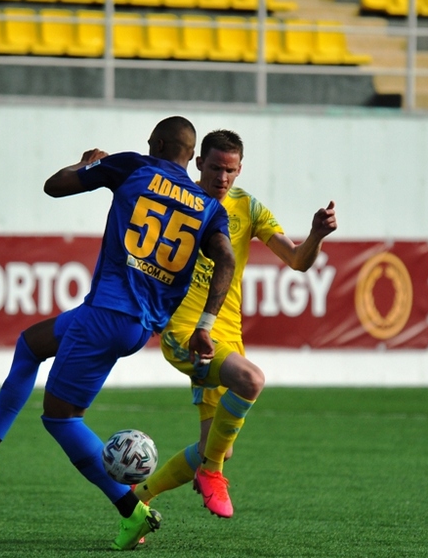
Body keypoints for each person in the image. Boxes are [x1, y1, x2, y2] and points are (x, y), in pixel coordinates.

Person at [0, 116, 236, 551]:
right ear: (192, 157)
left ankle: (131, 510)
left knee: (61, 418)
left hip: (106, 315)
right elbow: (226, 260)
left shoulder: (133, 166)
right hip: (134, 324)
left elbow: (54, 186)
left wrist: (87, 163)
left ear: (158, 143)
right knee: (31, 344)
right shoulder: (209, 207)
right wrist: (205, 325)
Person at [133, 129, 337, 519]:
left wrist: (316, 235)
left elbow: (298, 260)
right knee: (250, 380)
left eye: (230, 170)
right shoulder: (179, 200)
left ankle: (137, 498)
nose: (222, 177)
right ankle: (211, 473)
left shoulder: (249, 207)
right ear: (198, 164)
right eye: (214, 168)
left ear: (240, 169)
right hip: (186, 332)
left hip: (226, 333)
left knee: (218, 447)